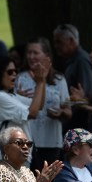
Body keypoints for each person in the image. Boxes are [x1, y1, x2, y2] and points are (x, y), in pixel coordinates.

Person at [15, 37, 72, 172]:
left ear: (47, 56)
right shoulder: (20, 78)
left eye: (35, 53)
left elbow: (69, 111)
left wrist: (61, 113)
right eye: (29, 53)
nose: (31, 56)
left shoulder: (59, 79)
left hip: (52, 141)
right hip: (27, 141)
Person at [0, 56, 48, 167]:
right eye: (10, 72)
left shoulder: (11, 95)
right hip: (9, 157)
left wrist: (42, 79)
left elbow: (39, 105)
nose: (14, 74)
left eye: (15, 71)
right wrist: (39, 83)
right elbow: (32, 113)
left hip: (18, 155)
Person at [52, 24, 92, 130]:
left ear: (71, 41)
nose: (55, 46)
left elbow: (87, 96)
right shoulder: (72, 61)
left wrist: (64, 105)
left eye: (59, 42)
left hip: (80, 125)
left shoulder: (81, 61)